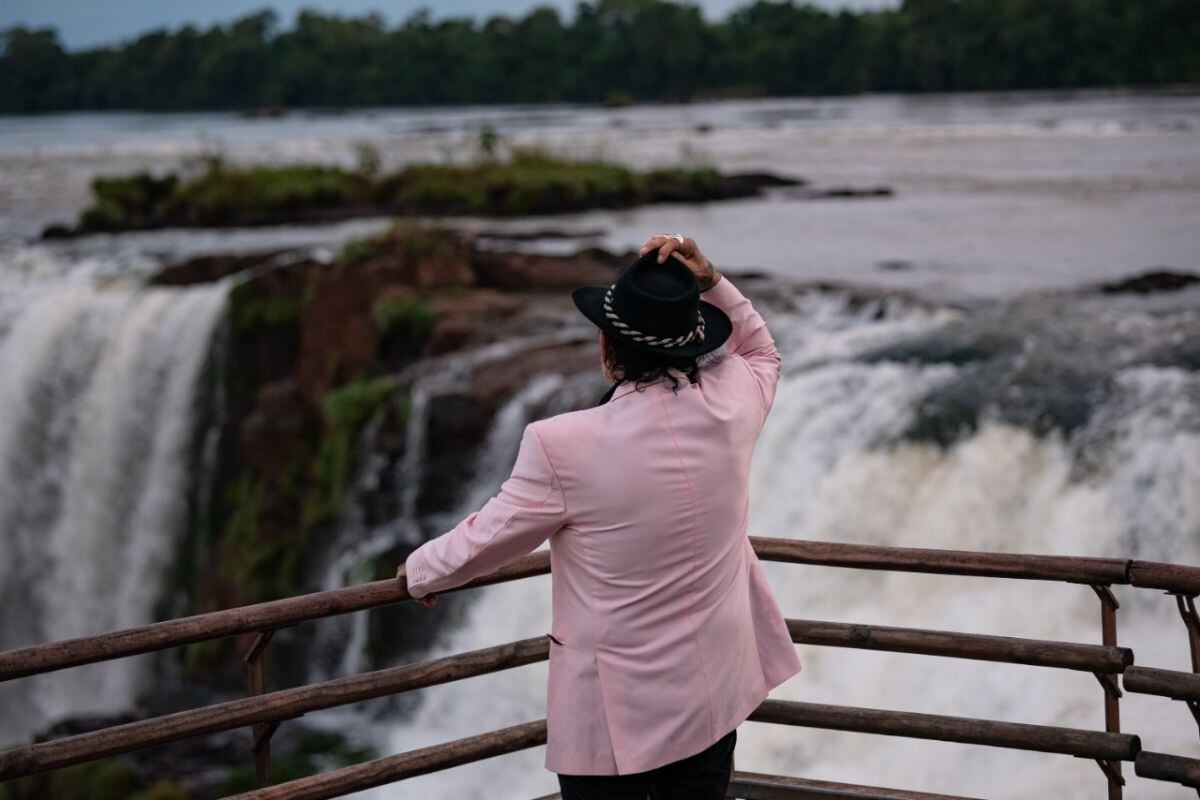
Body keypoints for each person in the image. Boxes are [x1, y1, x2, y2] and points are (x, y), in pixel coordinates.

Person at [397, 233, 802, 799]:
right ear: (691, 342)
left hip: (616, 718)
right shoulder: (734, 404)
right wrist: (712, 280)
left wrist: (420, 573)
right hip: (714, 694)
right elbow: (761, 352)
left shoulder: (563, 443)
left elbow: (490, 537)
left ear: (608, 347)